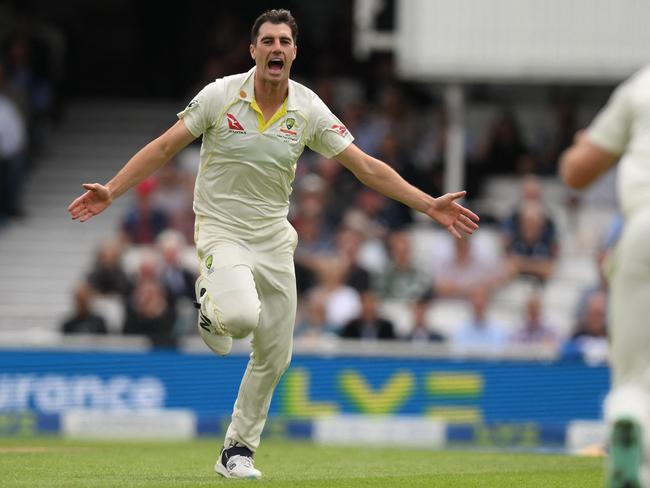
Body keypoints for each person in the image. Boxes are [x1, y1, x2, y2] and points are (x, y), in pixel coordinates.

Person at [67, 9, 479, 480]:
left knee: (276, 354)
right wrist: (112, 191)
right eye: (267, 41)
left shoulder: (308, 109)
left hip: (275, 239)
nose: (276, 48)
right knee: (240, 318)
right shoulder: (220, 95)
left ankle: (236, 450)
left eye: (284, 41)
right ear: (253, 50)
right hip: (222, 230)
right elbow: (164, 147)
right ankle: (210, 302)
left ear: (295, 51)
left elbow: (365, 166)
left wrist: (428, 204)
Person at [560, 65, 650, 487]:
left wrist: (586, 146)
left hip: (643, 231)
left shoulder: (642, 85)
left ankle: (629, 419)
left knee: (634, 378)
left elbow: (575, 172)